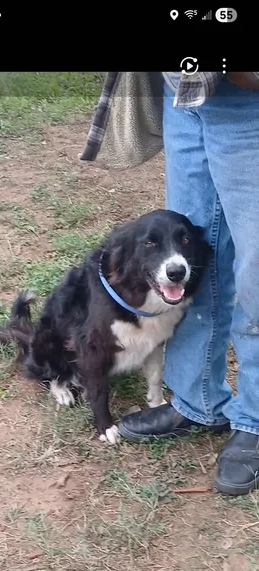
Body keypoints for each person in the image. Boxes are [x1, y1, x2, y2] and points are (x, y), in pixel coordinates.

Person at [81, 71, 259, 496]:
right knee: (188, 263)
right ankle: (198, 402)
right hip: (185, 95)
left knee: (256, 276)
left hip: (249, 102)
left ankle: (254, 419)